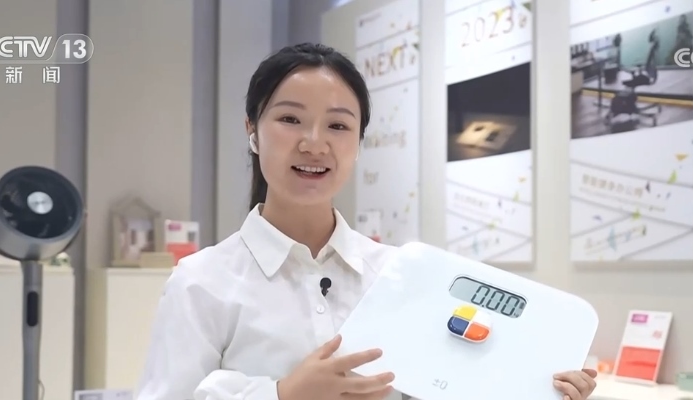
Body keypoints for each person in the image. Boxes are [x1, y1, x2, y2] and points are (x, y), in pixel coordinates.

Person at [135, 43, 598, 400]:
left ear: (358, 143)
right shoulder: (202, 282)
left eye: (338, 126)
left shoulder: (403, 273)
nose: (314, 143)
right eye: (290, 119)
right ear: (252, 131)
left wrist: (537, 387)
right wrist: (282, 395)